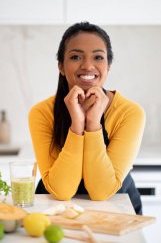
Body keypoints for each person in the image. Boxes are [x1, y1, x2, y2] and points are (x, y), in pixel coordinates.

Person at [28, 22, 145, 214]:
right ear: (61, 66)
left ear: (108, 66)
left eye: (98, 57)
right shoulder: (41, 113)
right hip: (55, 210)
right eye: (75, 57)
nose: (88, 66)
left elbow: (101, 192)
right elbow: (62, 191)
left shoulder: (130, 113)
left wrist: (92, 124)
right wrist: (77, 124)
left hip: (116, 211)